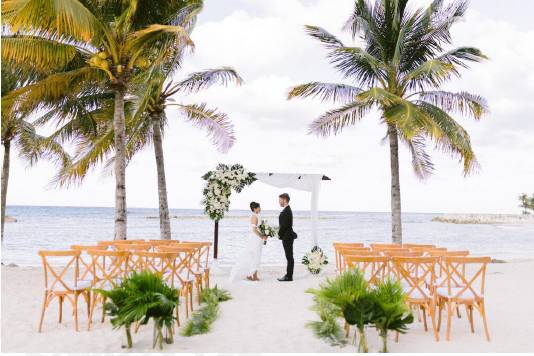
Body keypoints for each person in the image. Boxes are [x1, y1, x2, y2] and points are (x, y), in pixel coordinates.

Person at [229, 202, 268, 282]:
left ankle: (253, 275)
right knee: (255, 256)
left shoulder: (257, 216)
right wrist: (262, 236)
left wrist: (265, 233)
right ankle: (253, 275)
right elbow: (254, 230)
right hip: (255, 239)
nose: (260, 209)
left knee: (256, 256)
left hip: (258, 239)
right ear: (254, 209)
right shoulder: (254, 217)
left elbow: (260, 228)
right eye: (258, 207)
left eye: (260, 207)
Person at [277, 193, 297, 282]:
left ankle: (289, 276)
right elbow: (283, 225)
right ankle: (289, 275)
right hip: (287, 236)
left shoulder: (287, 210)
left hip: (287, 236)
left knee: (289, 257)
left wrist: (279, 234)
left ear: (284, 199)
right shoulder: (286, 210)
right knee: (289, 256)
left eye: (280, 200)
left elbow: (284, 226)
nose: (279, 202)